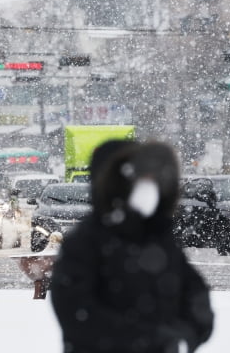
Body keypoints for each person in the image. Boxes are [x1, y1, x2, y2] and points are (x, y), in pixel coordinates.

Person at [50, 140, 213, 353]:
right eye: (138, 177)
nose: (147, 184)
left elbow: (195, 297)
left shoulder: (158, 236)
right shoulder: (85, 241)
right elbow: (77, 313)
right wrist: (150, 339)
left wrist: (184, 336)